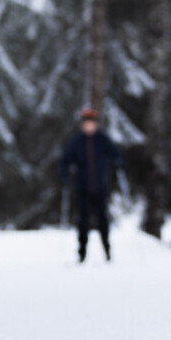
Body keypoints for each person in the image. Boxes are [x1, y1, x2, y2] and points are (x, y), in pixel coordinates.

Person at [59, 107, 122, 263]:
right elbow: (65, 160)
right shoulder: (77, 141)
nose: (89, 126)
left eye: (91, 123)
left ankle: (107, 251)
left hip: (100, 186)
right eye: (86, 123)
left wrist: (118, 162)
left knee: (103, 221)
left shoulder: (102, 139)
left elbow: (117, 153)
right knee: (83, 222)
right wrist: (65, 174)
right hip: (83, 187)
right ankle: (82, 253)